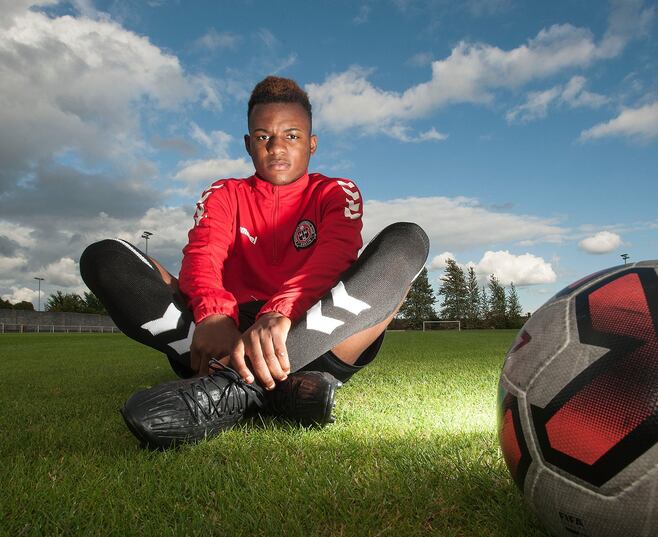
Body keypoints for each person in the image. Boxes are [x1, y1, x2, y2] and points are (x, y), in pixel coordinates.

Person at [80, 76, 428, 449]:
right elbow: (202, 255)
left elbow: (331, 259)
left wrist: (279, 312)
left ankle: (229, 386)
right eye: (264, 137)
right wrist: (214, 316)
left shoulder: (335, 191)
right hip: (222, 334)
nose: (277, 147)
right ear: (249, 144)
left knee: (406, 242)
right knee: (104, 258)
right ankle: (280, 392)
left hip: (310, 335)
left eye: (291, 136)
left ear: (311, 144)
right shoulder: (225, 193)